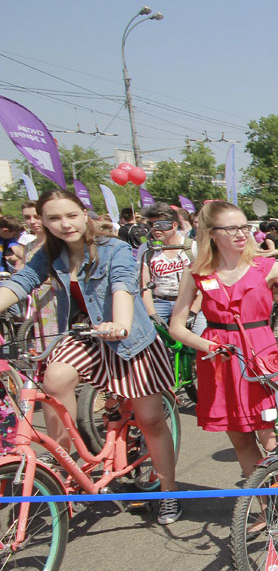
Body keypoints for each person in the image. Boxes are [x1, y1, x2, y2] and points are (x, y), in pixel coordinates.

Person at [0, 191, 181, 523]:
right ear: (44, 222)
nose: (64, 224)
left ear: (84, 214)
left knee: (151, 420)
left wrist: (121, 324)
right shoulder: (48, 254)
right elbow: (20, 283)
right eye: (54, 218)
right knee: (54, 379)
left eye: (70, 215)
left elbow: (122, 286)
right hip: (85, 337)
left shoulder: (114, 248)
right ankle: (61, 465)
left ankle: (168, 492)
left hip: (128, 340)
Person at [167, 201, 278, 482]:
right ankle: (267, 507)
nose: (241, 233)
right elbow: (176, 327)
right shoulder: (196, 273)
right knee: (241, 440)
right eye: (232, 228)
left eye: (244, 226)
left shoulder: (267, 266)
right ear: (212, 233)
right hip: (220, 360)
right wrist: (207, 347)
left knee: (271, 437)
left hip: (261, 354)